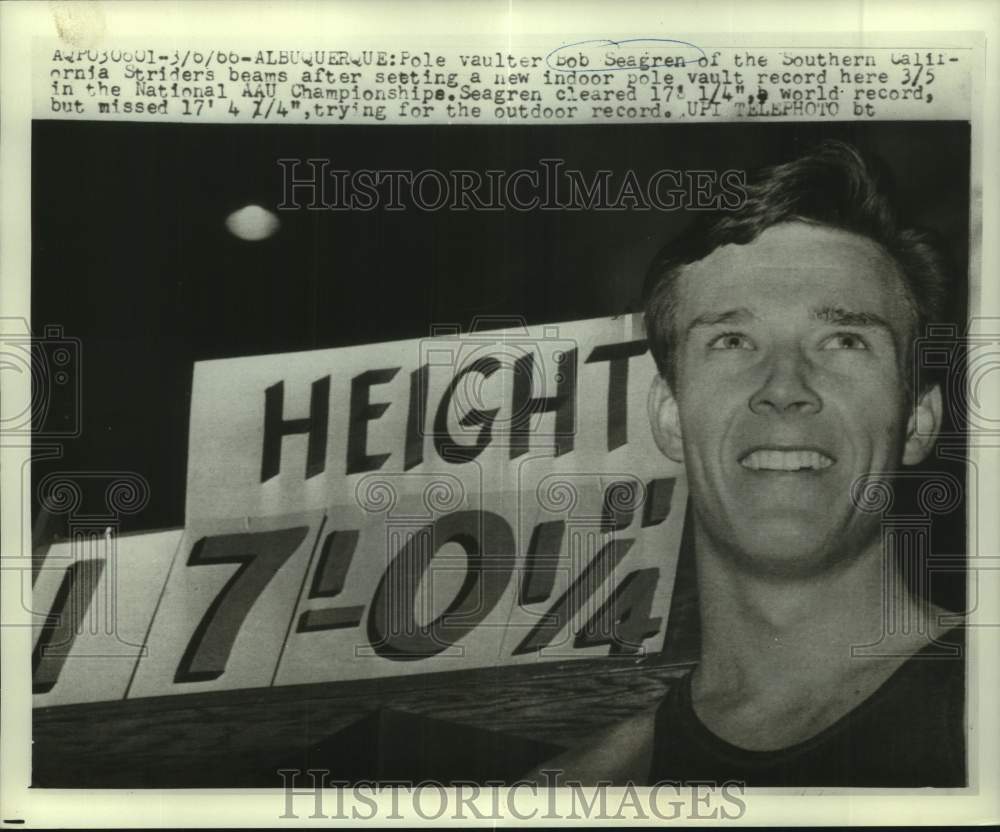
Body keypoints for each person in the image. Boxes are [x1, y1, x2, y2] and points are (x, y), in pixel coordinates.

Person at [529, 140, 965, 787]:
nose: (784, 385)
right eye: (732, 340)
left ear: (919, 420)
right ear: (670, 415)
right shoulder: (580, 791)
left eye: (843, 339)